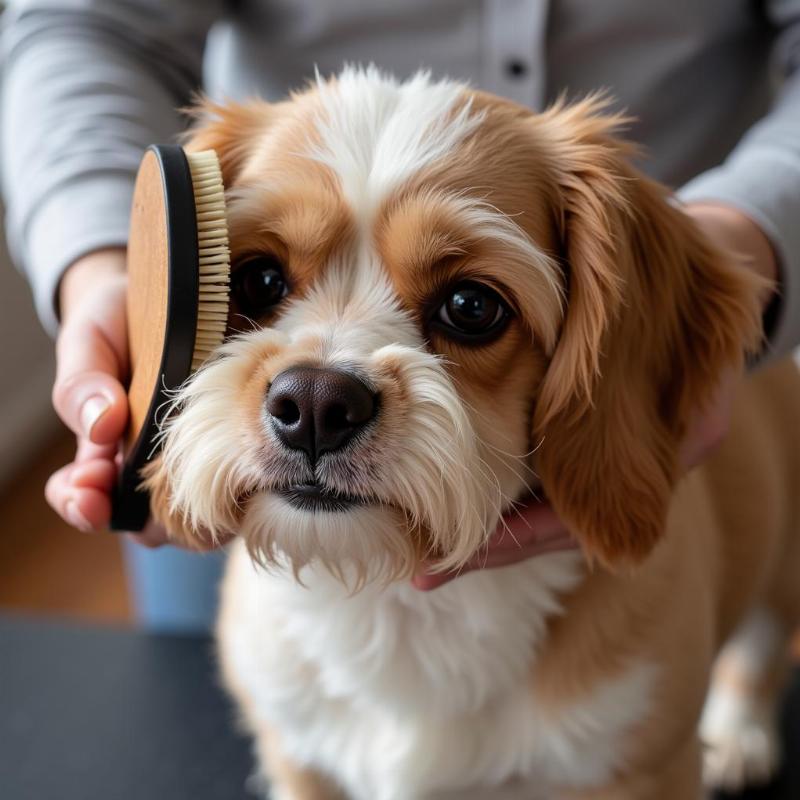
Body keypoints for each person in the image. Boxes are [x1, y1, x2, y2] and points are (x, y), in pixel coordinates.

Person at [2, 1, 794, 628]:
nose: (313, 398)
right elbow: (84, 17)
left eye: (468, 307)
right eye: (260, 284)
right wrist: (113, 269)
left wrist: (745, 236)